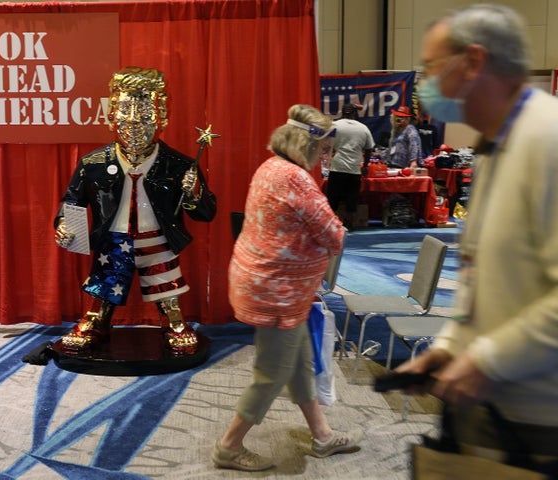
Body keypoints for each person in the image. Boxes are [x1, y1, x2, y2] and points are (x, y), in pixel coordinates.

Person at [396, 4, 558, 474]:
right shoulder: (493, 146)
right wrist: (450, 346)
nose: (424, 81)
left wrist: (487, 359)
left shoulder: (547, 141)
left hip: (539, 423)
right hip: (487, 407)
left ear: (472, 62)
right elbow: (479, 278)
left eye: (430, 66)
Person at [212, 104, 362, 472]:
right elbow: (334, 235)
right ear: (306, 144)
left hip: (270, 285)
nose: (326, 156)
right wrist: (334, 228)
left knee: (299, 363)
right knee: (272, 373)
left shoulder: (271, 167)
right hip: (276, 292)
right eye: (324, 149)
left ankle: (322, 435)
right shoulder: (295, 179)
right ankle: (229, 448)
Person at [54, 66, 217, 353]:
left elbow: (205, 212)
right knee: (104, 283)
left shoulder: (179, 165)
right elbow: (72, 201)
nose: (134, 123)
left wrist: (192, 192)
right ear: (112, 115)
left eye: (145, 114)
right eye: (126, 112)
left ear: (162, 116)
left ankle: (173, 320)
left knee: (165, 282)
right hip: (113, 240)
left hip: (158, 239)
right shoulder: (93, 163)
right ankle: (95, 320)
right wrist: (65, 225)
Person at [326, 103, 375, 230]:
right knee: (351, 198)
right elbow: (369, 148)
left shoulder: (334, 125)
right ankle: (349, 223)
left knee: (333, 197)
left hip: (337, 167)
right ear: (354, 113)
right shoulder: (363, 128)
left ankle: (331, 223)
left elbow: (325, 142)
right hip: (354, 169)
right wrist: (365, 165)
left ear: (342, 112)